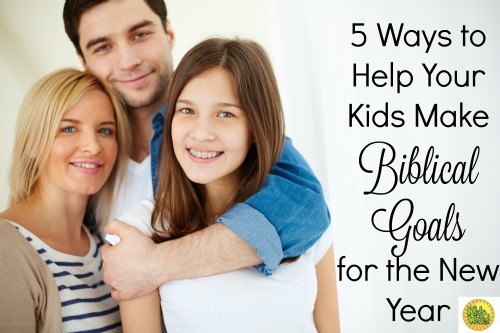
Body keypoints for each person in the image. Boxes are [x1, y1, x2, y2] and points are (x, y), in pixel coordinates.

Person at [63, 0, 331, 301]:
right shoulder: (81, 153)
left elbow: (306, 209)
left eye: (140, 35)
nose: (127, 61)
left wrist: (153, 264)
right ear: (83, 60)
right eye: (103, 47)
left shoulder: (221, 136)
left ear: (169, 33)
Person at [117, 37, 340, 333]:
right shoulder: (141, 231)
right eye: (187, 111)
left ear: (257, 125)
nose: (201, 133)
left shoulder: (303, 217)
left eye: (225, 114)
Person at [0, 68, 130, 332]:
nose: (92, 147)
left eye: (105, 131)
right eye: (69, 128)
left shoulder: (103, 243)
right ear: (33, 143)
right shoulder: (7, 250)